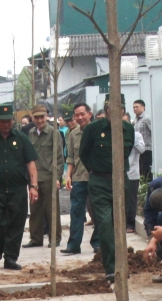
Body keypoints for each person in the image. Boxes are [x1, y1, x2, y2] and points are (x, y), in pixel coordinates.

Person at [0, 103, 38, 271]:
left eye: (9, 121)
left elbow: (30, 163)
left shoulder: (22, 138)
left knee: (16, 224)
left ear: (13, 120)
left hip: (17, 189)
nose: (5, 125)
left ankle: (10, 257)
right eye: (2, 121)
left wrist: (33, 186)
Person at [78, 97, 134, 279]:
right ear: (106, 109)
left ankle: (122, 264)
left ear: (124, 110)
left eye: (119, 108)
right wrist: (96, 170)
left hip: (120, 181)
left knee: (120, 223)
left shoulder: (128, 129)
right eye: (111, 108)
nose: (115, 112)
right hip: (99, 181)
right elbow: (83, 154)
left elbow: (128, 151)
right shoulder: (93, 129)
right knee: (104, 223)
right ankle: (111, 268)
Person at [23, 104, 64, 249]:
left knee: (52, 210)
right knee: (35, 210)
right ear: (33, 118)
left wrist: (57, 177)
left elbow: (59, 157)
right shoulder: (31, 133)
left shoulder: (54, 133)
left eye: (42, 117)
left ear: (46, 116)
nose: (39, 120)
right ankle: (35, 239)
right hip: (35, 179)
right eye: (36, 117)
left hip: (49, 177)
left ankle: (55, 238)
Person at [62, 103, 93, 255]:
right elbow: (71, 157)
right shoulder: (73, 134)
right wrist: (68, 175)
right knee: (76, 211)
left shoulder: (97, 131)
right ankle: (74, 244)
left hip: (96, 178)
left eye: (82, 114)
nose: (80, 117)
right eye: (77, 115)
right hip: (79, 178)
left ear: (89, 114)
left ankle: (98, 243)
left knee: (98, 213)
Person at [125, 115, 145, 234]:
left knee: (131, 199)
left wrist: (132, 139)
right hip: (119, 173)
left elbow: (142, 149)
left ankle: (130, 223)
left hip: (132, 173)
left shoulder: (136, 135)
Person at [134, 100, 153, 183]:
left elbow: (153, 131)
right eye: (134, 107)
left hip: (147, 149)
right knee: (140, 170)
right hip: (138, 150)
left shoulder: (147, 119)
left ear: (143, 107)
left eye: (137, 107)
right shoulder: (135, 120)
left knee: (146, 170)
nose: (135, 109)